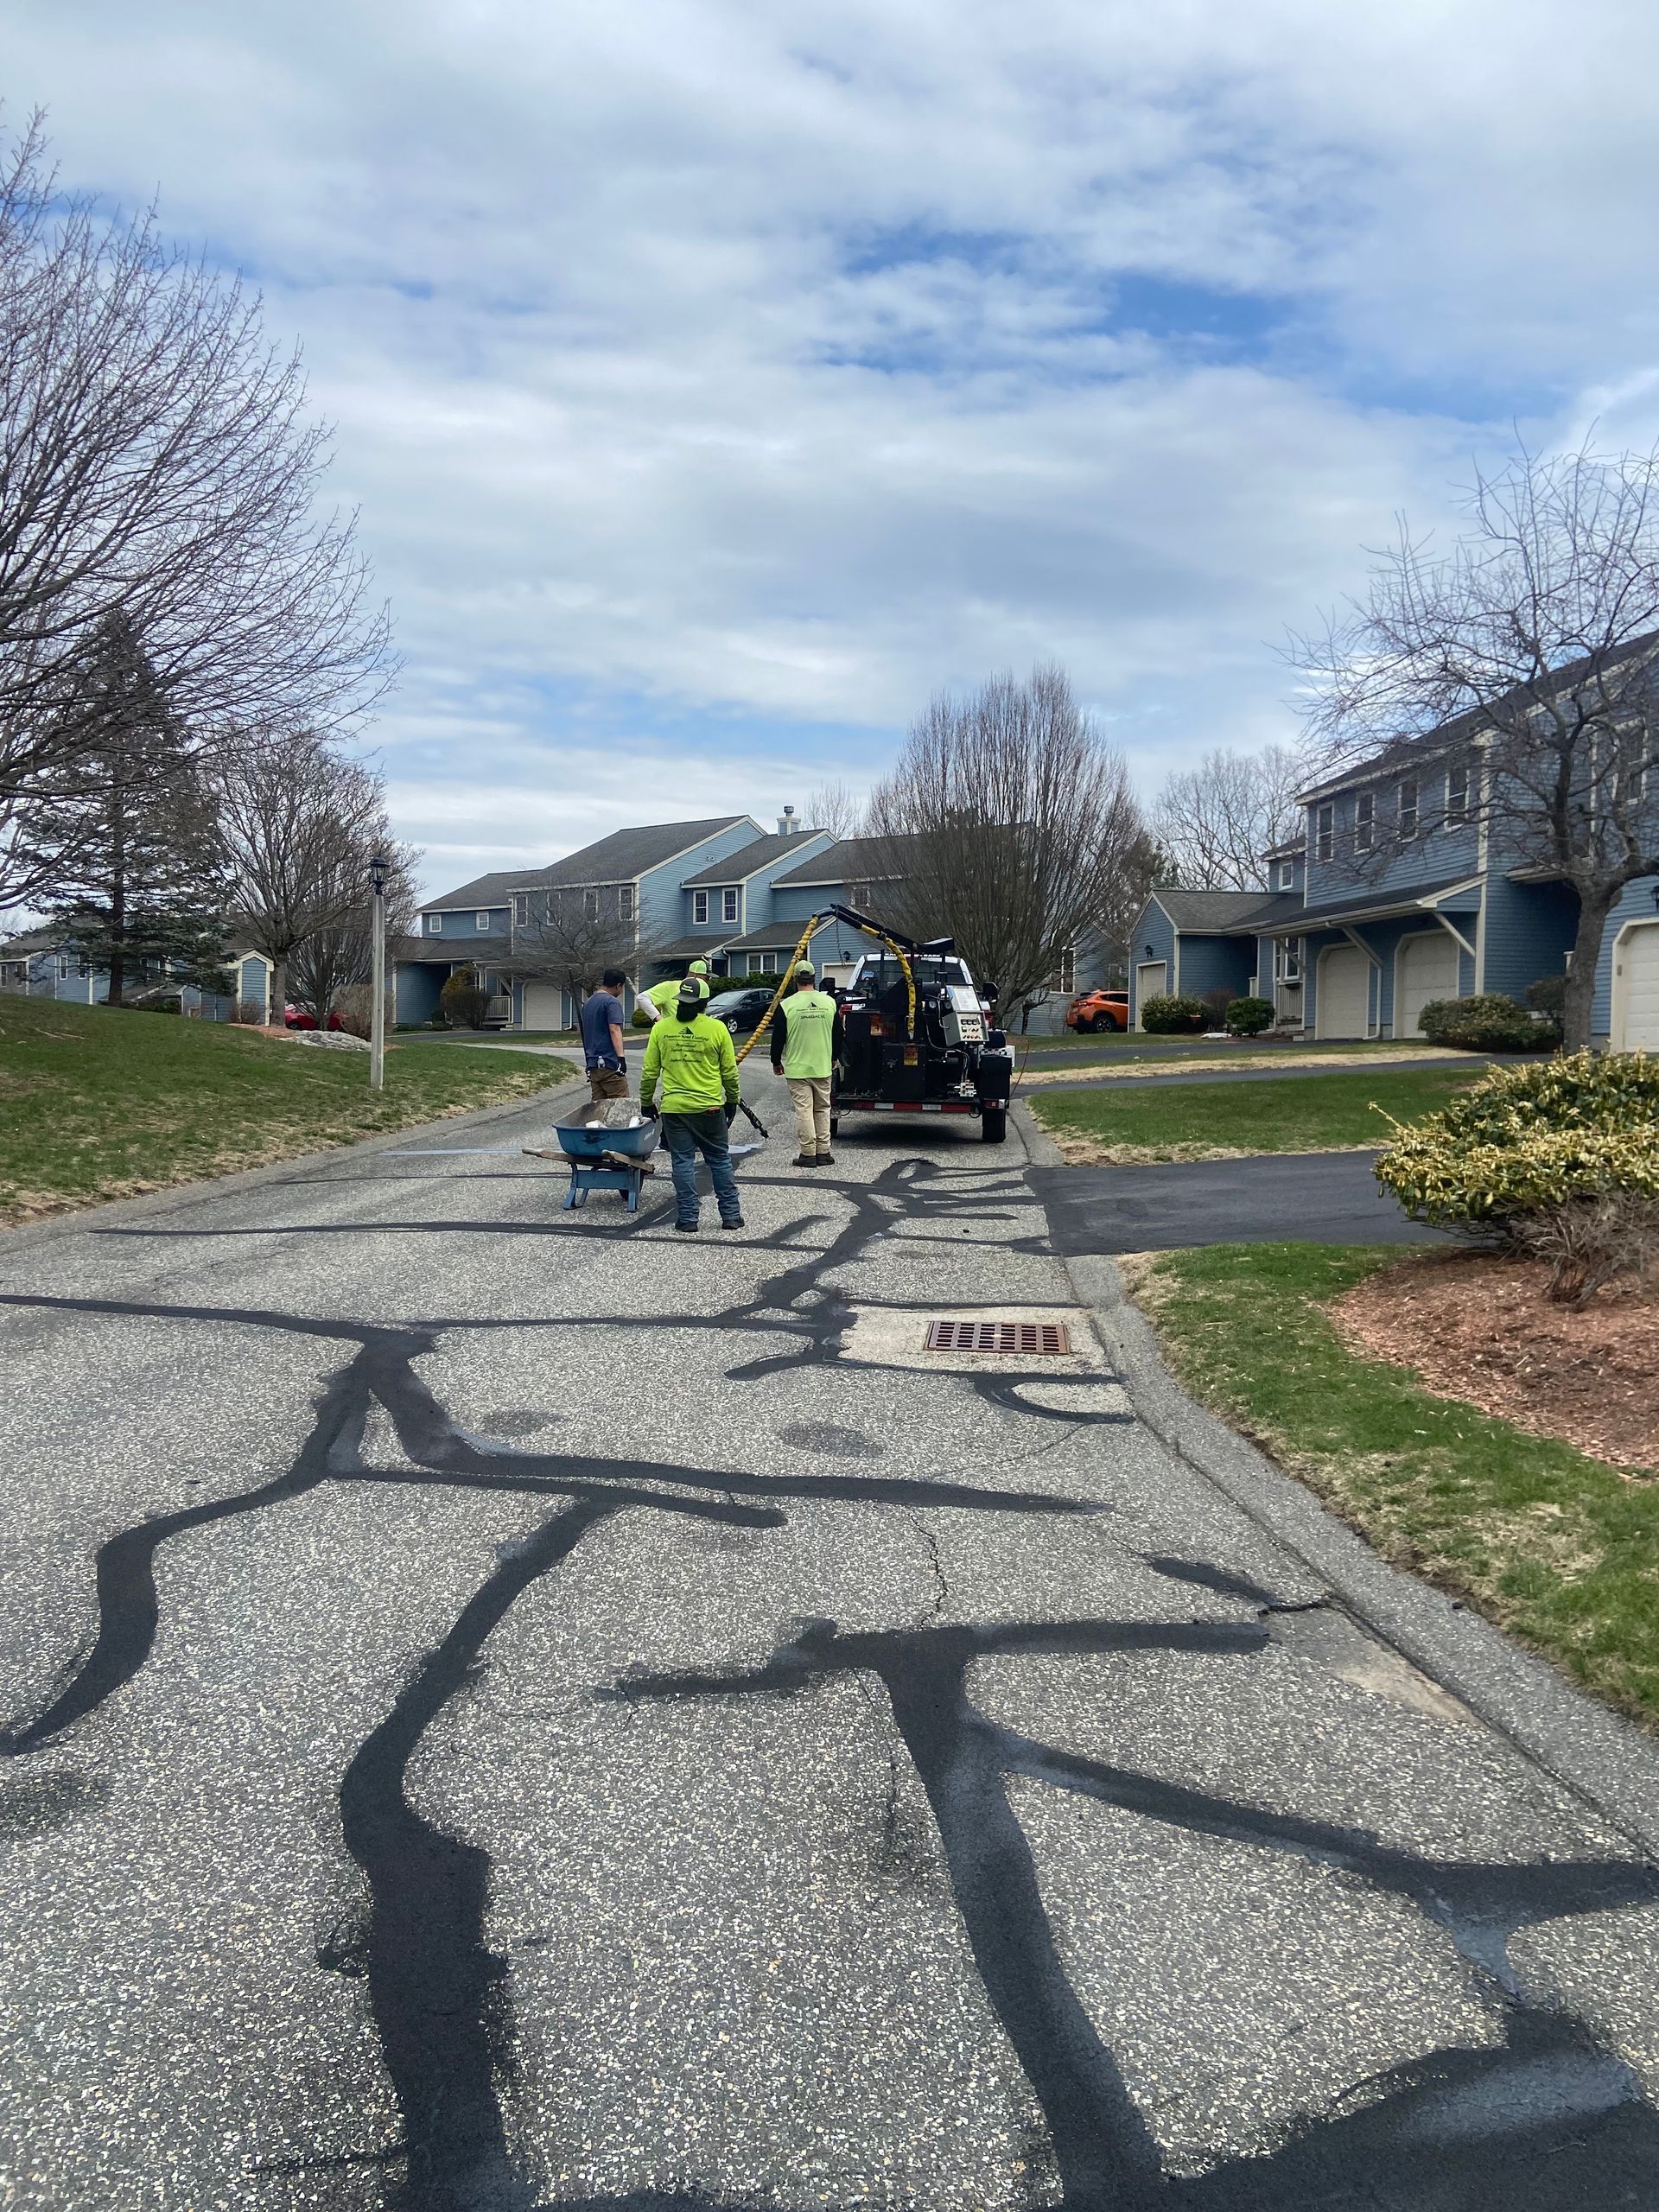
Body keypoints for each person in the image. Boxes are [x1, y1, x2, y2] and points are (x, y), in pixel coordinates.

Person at [640, 976, 745, 1232]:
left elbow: (649, 1071)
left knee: (683, 1161)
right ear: (704, 1003)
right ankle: (730, 1216)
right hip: (710, 1107)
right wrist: (731, 1101)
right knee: (719, 1160)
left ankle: (687, 1218)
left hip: (675, 1110)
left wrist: (646, 1102)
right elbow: (729, 1072)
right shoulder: (717, 1029)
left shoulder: (661, 1029)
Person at [770, 960, 842, 1166]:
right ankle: (824, 1151)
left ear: (795, 980)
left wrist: (776, 1061)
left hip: (797, 1069)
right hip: (822, 1066)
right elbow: (838, 1034)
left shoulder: (787, 1005)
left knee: (804, 1110)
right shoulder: (829, 1003)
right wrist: (834, 1057)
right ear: (813, 979)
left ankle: (808, 1154)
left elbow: (778, 1037)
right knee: (822, 1109)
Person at [579, 968, 630, 1113]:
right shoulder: (611, 1003)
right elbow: (614, 1029)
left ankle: (597, 1134)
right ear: (619, 985)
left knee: (598, 1108)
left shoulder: (589, 1003)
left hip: (593, 1064)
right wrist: (621, 1059)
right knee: (621, 1106)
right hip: (609, 1063)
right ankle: (620, 1135)